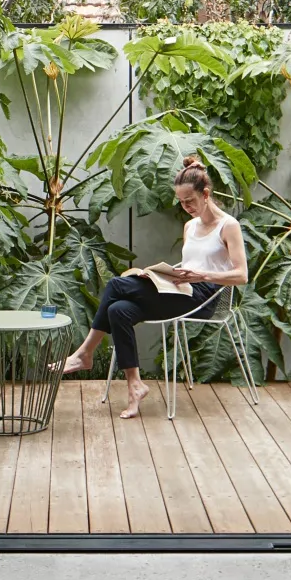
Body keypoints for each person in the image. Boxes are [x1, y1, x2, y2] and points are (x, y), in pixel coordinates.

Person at [56, 156, 249, 418]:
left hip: (204, 298)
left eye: (190, 201)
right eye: (181, 202)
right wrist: (157, 274)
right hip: (180, 289)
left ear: (206, 194)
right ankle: (135, 386)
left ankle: (84, 353)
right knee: (119, 311)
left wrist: (201, 276)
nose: (186, 207)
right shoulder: (190, 226)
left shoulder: (229, 226)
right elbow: (188, 263)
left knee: (115, 284)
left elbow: (241, 275)